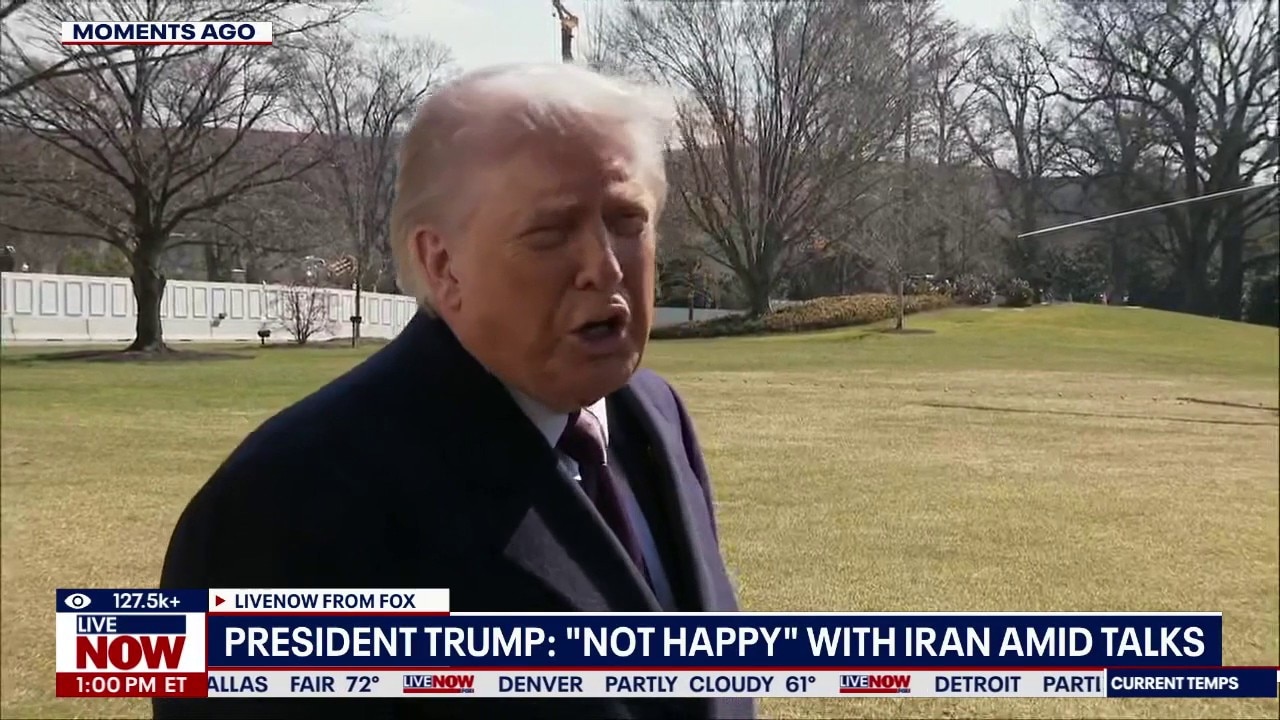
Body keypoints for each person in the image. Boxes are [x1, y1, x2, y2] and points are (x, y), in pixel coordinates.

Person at [154, 63, 752, 720]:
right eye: (551, 232)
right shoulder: (286, 505)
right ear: (442, 264)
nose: (604, 266)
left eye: (627, 220)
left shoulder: (656, 418)